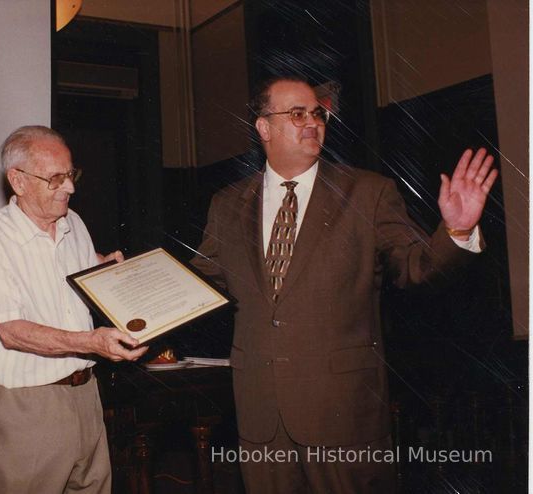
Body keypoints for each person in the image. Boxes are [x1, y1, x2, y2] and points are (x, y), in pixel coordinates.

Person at [191, 75, 497, 493]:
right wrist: (129, 289)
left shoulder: (367, 192)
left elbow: (416, 267)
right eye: (297, 114)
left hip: (343, 417)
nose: (312, 122)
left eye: (317, 113)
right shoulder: (227, 204)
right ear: (264, 128)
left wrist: (456, 232)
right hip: (261, 417)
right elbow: (198, 282)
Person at [0, 125, 147, 493]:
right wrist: (92, 342)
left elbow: (79, 273)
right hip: (28, 405)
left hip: (86, 396)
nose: (70, 188)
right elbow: (11, 331)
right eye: (56, 178)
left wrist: (113, 271)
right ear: (18, 181)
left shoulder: (73, 223)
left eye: (71, 175)